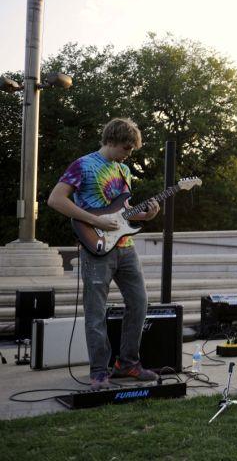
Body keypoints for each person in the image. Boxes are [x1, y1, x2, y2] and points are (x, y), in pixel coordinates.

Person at [47, 118, 160, 390]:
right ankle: (99, 371)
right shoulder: (83, 165)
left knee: (140, 303)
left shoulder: (124, 170)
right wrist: (96, 221)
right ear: (111, 140)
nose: (128, 153)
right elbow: (55, 200)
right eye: (125, 147)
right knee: (95, 312)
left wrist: (146, 214)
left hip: (125, 249)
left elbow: (123, 214)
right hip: (95, 247)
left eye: (131, 149)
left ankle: (128, 363)